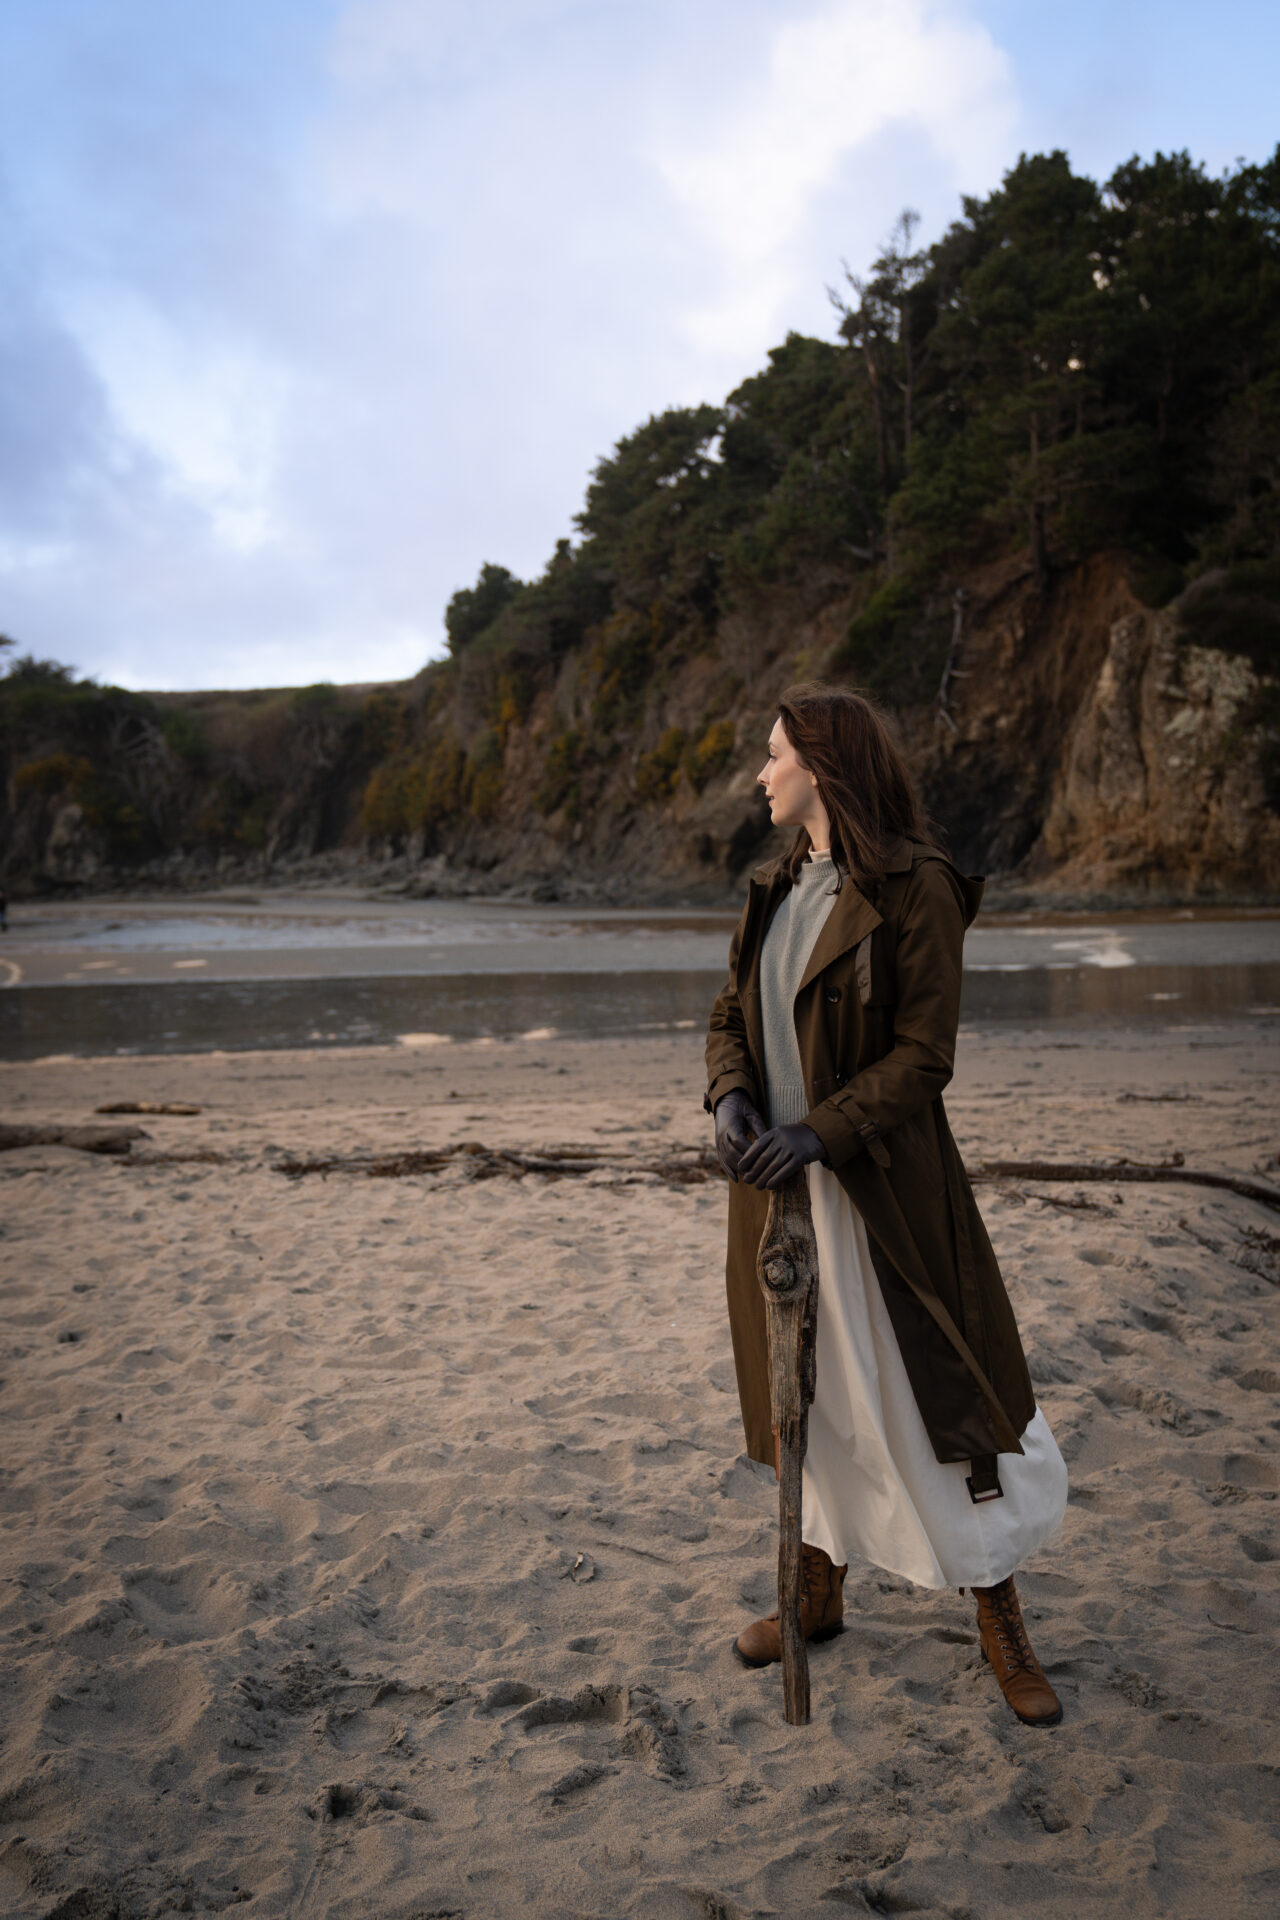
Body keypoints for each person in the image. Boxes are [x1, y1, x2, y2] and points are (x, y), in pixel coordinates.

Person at [705, 683, 1068, 1727]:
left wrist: (819, 1131)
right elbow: (728, 1012)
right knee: (808, 1402)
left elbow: (924, 1056)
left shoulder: (919, 887)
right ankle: (814, 1594)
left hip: (882, 1198)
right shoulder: (774, 886)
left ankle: (1000, 1619)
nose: (760, 774)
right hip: (777, 1202)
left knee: (927, 1404)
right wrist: (730, 1095)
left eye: (774, 755)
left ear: (820, 766)